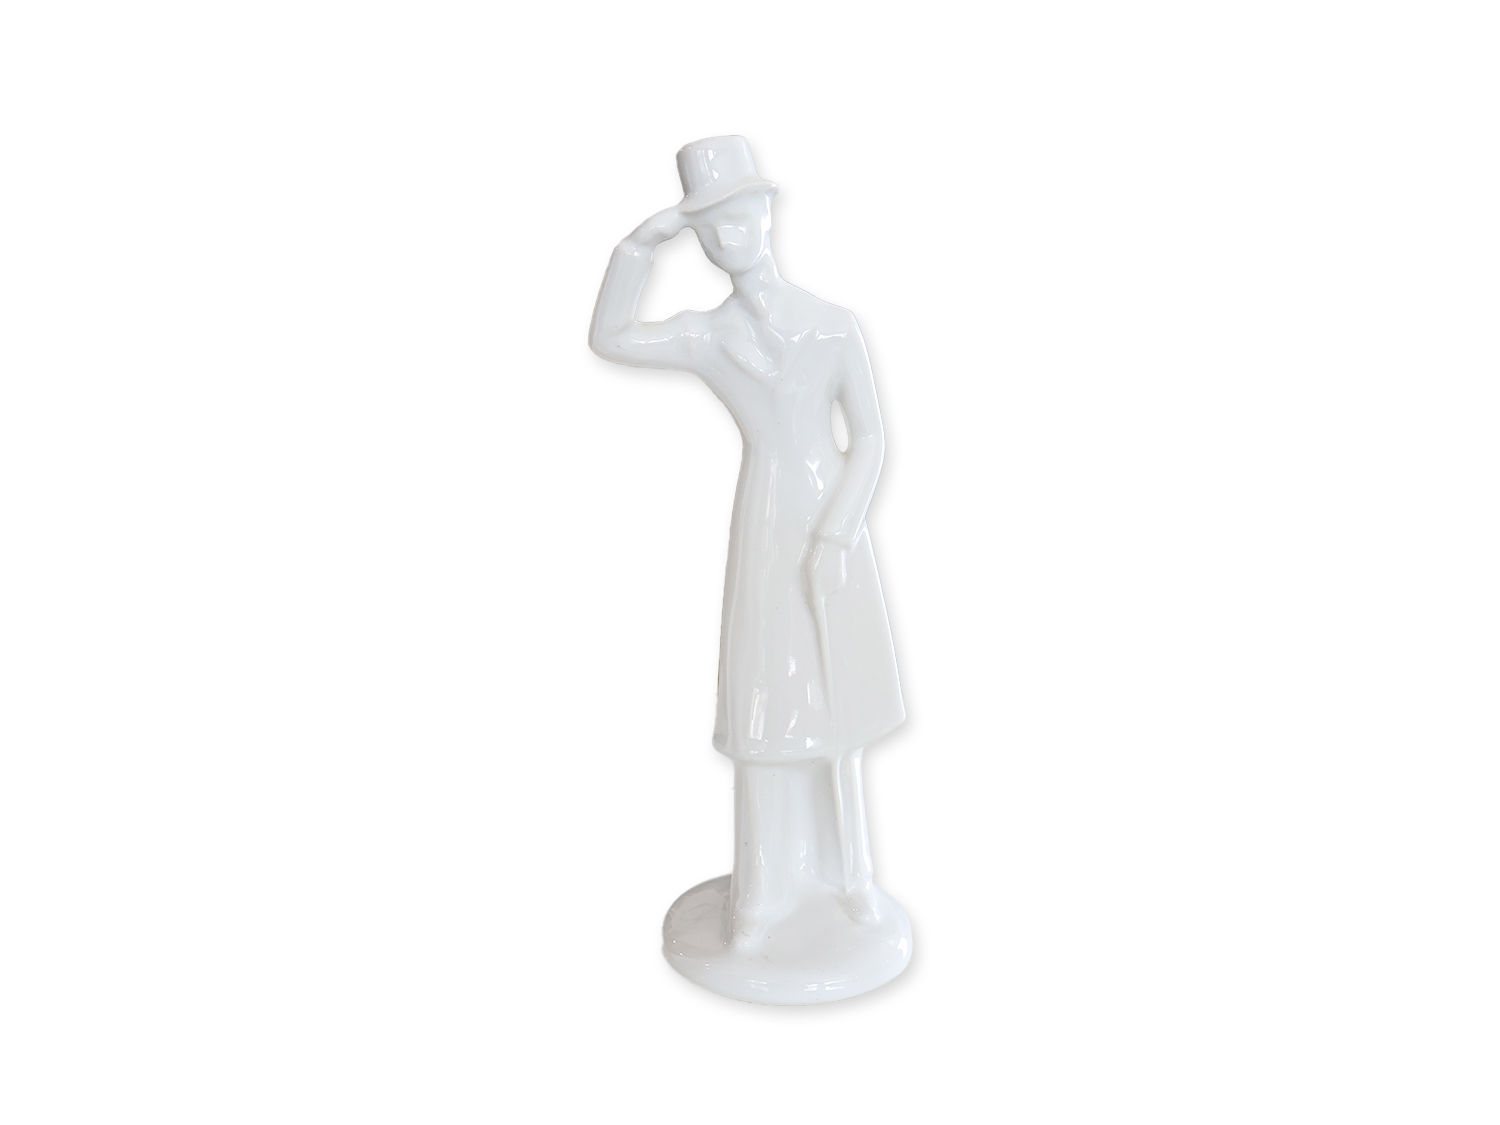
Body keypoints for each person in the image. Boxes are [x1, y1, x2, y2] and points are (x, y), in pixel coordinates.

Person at [589, 137, 904, 947]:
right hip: (765, 523)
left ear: (768, 211)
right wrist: (641, 243)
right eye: (708, 227)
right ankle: (763, 890)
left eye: (739, 215)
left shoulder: (832, 326)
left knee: (837, 695)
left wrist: (839, 529)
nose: (728, 236)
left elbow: (870, 438)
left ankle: (851, 876)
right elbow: (612, 336)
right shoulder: (708, 335)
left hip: (827, 520)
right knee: (766, 699)